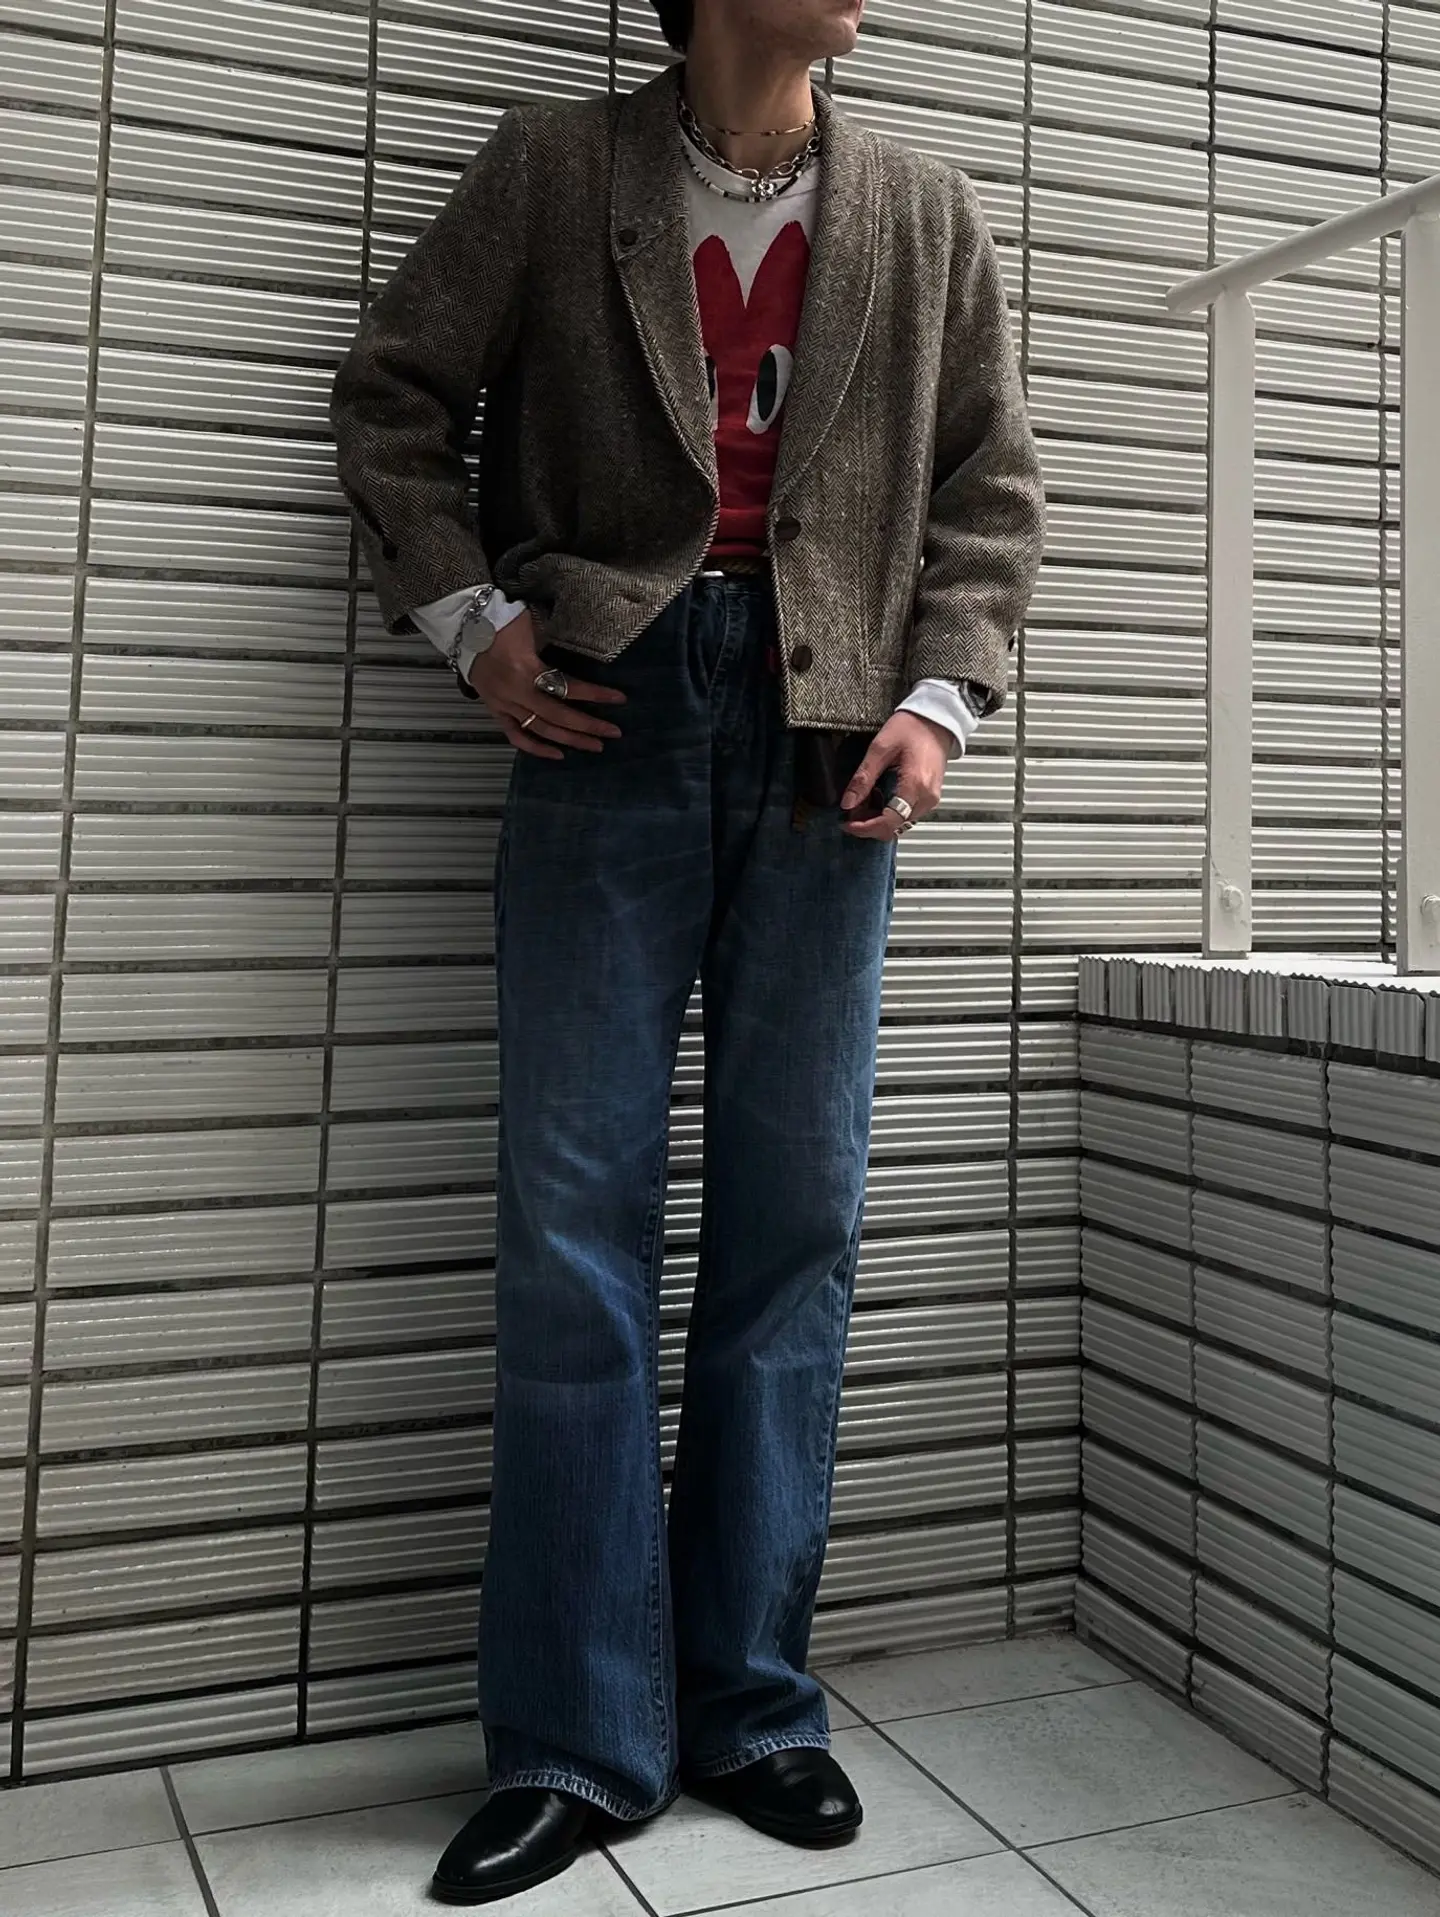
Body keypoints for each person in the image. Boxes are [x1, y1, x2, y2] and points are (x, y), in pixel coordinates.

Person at [330, 0, 1044, 1902]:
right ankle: (575, 1737)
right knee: (575, 1225)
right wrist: (470, 619)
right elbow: (393, 400)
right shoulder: (557, 171)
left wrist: (942, 702)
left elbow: (988, 488)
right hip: (608, 711)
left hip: (832, 746)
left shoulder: (921, 209)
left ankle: (751, 1704)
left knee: (795, 1216)